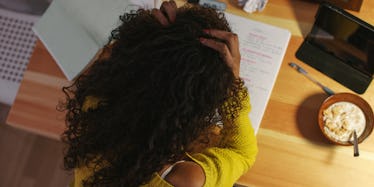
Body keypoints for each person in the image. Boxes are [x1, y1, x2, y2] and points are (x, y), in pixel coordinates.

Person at [61, 1, 258, 186]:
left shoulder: (95, 102)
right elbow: (242, 152)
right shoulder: (184, 180)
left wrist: (143, 36)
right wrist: (232, 84)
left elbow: (111, 63)